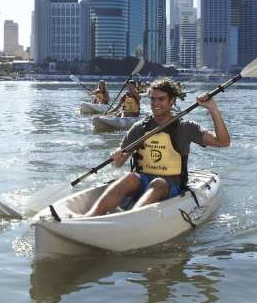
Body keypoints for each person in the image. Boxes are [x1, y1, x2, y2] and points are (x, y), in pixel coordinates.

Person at [80, 78, 229, 217]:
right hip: (142, 181)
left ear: (172, 101)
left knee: (158, 183)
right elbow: (118, 163)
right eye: (152, 99)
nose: (155, 103)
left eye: (161, 99)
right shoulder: (140, 127)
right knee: (130, 177)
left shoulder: (186, 127)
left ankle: (131, 219)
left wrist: (212, 108)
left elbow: (223, 142)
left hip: (171, 186)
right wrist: (117, 157)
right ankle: (89, 217)